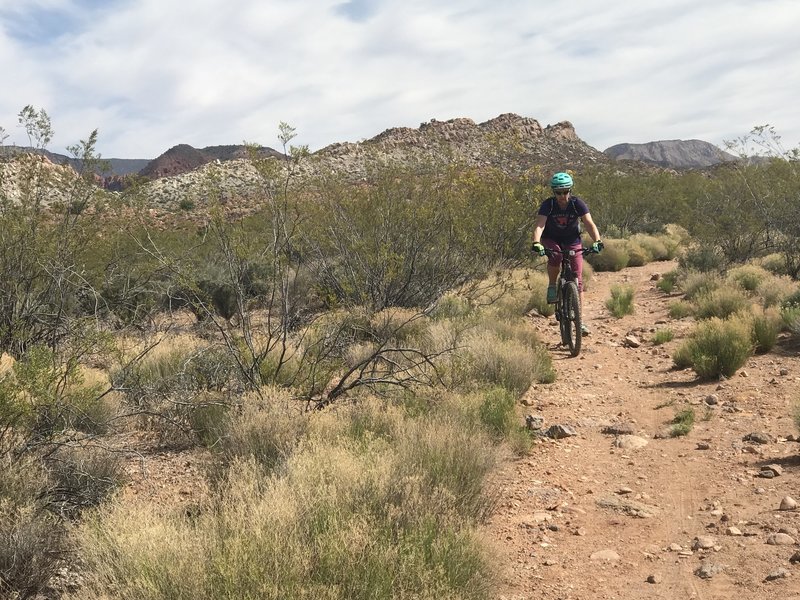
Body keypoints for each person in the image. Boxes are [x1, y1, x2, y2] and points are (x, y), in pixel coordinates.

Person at [531, 172, 603, 335]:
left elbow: (589, 223)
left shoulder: (578, 204)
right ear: (553, 192)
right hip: (552, 238)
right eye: (558, 192)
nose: (562, 196)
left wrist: (597, 240)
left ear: (570, 190)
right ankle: (551, 285)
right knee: (555, 255)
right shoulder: (548, 205)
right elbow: (540, 225)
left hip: (572, 239)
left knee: (577, 281)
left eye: (565, 191)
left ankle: (579, 321)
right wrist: (536, 242)